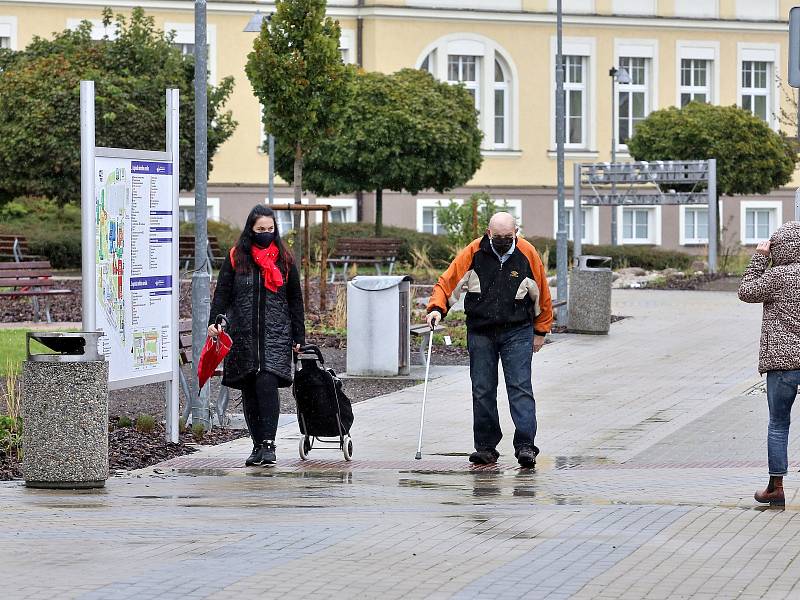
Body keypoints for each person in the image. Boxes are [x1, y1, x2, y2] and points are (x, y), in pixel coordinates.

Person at [426, 212, 553, 467]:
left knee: (520, 388)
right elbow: (448, 282)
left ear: (516, 232)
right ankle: (485, 447)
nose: (504, 241)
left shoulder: (527, 253)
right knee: (482, 389)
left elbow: (542, 294)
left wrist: (541, 331)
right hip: (481, 330)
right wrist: (436, 309)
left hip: (517, 330)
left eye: (509, 237)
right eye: (499, 237)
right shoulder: (474, 252)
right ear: (488, 233)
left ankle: (526, 446)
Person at [208, 205, 305, 466]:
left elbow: (295, 299)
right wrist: (214, 322)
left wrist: (299, 335)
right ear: (251, 229)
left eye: (270, 229)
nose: (266, 234)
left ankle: (269, 445)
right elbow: (222, 294)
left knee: (266, 384)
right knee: (249, 388)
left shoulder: (284, 258)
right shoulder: (236, 257)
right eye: (261, 229)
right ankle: (256, 445)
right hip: (243, 334)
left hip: (275, 333)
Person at [738, 221, 800, 505]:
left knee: (778, 423)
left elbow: (746, 291)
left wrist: (760, 259)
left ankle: (776, 488)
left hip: (782, 365)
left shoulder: (776, 276)